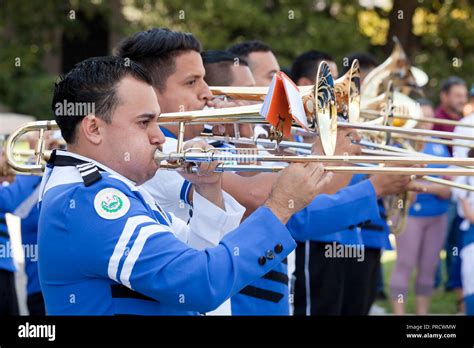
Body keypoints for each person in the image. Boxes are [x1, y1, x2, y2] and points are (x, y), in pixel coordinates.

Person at [116, 28, 391, 316]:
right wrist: (330, 162)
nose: (208, 93)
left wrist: (244, 140)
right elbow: (261, 198)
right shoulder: (162, 151)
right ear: (150, 92)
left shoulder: (207, 142)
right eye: (192, 82)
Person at [38, 55, 336, 315]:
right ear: (93, 128)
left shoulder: (112, 189)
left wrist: (208, 190)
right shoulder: (90, 199)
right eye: (144, 123)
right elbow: (200, 283)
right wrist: (280, 206)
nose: (159, 137)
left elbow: (197, 256)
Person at [389, 100, 451, 315]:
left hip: (437, 215)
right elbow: (402, 184)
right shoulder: (401, 144)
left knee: (428, 267)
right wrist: (433, 185)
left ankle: (422, 316)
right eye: (421, 119)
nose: (425, 124)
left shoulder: (440, 146)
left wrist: (421, 185)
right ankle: (399, 314)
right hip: (410, 215)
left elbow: (448, 190)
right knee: (404, 264)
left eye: (428, 119)